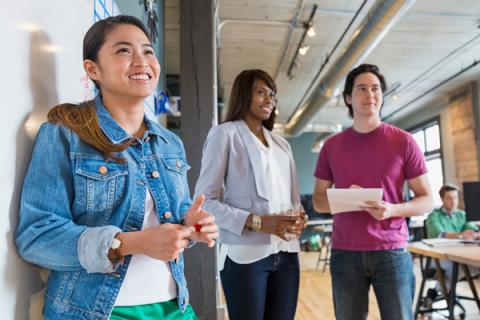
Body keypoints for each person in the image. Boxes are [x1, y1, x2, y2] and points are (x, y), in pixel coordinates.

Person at [15, 15, 218, 320]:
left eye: (148, 51)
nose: (141, 61)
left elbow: (167, 221)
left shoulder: (169, 143)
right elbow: (37, 238)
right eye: (124, 51)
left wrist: (190, 224)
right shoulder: (64, 134)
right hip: (91, 311)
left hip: (175, 307)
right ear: (92, 69)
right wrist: (131, 243)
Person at [312, 63, 434, 320]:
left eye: (376, 88)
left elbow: (427, 200)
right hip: (345, 253)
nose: (370, 94)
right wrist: (346, 199)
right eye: (362, 88)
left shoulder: (404, 141)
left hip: (392, 251)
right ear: (348, 98)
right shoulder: (331, 147)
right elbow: (319, 202)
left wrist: (393, 209)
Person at [194, 69, 307, 320]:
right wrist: (257, 222)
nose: (269, 99)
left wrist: (299, 218)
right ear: (244, 95)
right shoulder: (225, 134)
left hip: (287, 253)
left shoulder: (282, 144)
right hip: (245, 257)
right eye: (260, 92)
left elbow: (294, 201)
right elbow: (205, 203)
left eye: (272, 95)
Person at [424, 183, 479, 303]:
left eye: (455, 197)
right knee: (455, 266)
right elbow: (440, 233)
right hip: (438, 257)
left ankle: (434, 292)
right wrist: (460, 235)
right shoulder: (434, 216)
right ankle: (446, 292)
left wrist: (474, 233)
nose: (453, 201)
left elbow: (471, 228)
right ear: (442, 199)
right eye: (449, 198)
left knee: (474, 265)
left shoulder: (462, 214)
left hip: (459, 255)